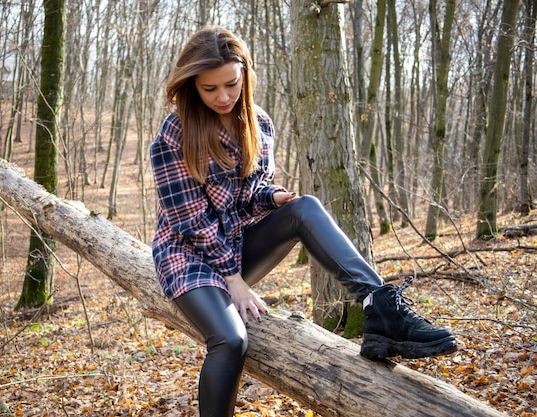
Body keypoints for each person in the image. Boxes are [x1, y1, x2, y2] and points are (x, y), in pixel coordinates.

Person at [150, 25, 457, 417]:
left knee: (305, 207)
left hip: (238, 245)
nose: (223, 97)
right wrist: (233, 280)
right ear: (193, 85)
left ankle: (381, 308)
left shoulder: (258, 124)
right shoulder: (173, 135)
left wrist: (271, 196)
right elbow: (190, 220)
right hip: (188, 256)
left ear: (245, 74)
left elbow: (248, 193)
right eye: (210, 89)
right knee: (230, 340)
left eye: (231, 84)